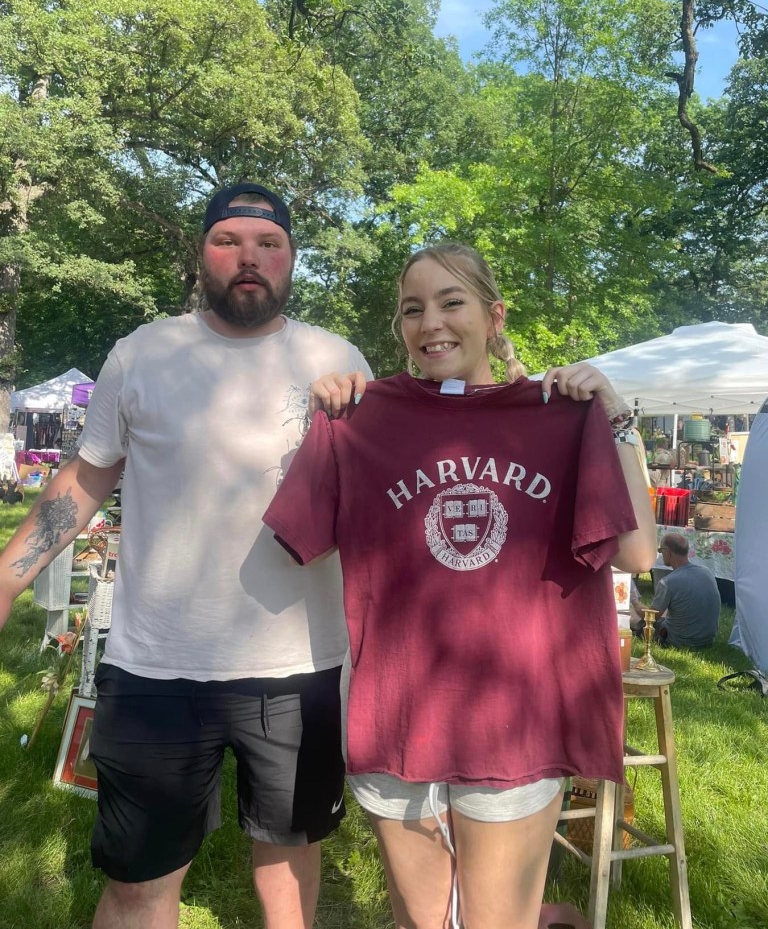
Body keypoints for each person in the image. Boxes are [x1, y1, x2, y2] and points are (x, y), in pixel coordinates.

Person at [0, 183, 372, 929]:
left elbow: (386, 496)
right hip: (157, 665)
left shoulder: (337, 360)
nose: (248, 257)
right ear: (202, 253)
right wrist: (7, 581)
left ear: (291, 258)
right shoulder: (143, 353)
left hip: (299, 664)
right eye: (228, 241)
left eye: (268, 244)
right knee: (138, 885)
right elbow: (87, 477)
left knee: (289, 878)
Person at [263, 243, 657, 929]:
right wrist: (321, 421)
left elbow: (637, 553)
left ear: (494, 316)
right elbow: (299, 544)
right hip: (398, 719)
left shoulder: (560, 413)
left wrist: (614, 416)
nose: (431, 323)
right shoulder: (361, 417)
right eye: (412, 309)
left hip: (518, 724)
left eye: (452, 303)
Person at [651, 532, 721, 648]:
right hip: (707, 641)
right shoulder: (707, 572)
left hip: (679, 640)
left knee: (635, 619)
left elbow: (651, 616)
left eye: (661, 551)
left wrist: (634, 602)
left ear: (667, 552)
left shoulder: (668, 582)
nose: (661, 554)